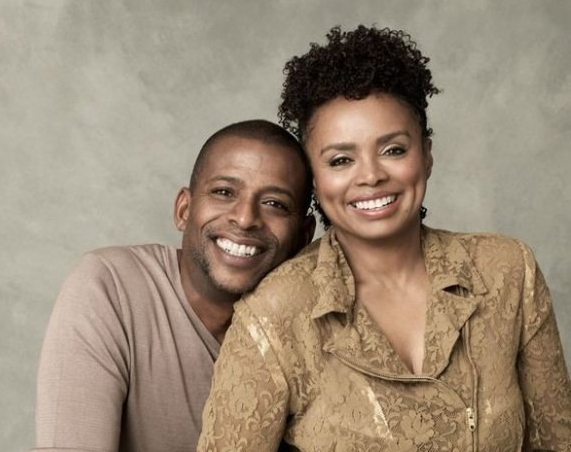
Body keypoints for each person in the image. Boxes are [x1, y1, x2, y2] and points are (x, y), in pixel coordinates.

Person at [198, 26, 571, 451]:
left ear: (426, 154)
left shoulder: (508, 270)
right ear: (315, 180)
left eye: (393, 149)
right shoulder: (273, 317)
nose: (371, 175)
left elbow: (558, 440)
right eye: (341, 159)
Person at [31, 119, 316, 452]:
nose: (245, 218)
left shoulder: (314, 333)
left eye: (275, 204)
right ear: (184, 209)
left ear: (304, 237)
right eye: (224, 192)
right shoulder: (111, 287)